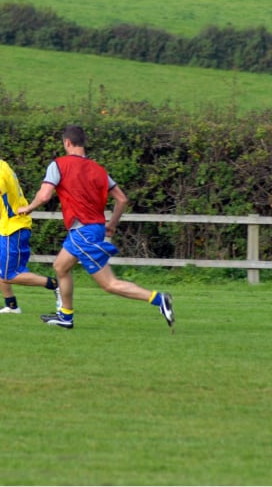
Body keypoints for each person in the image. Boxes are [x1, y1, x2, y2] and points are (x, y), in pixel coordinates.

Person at [17, 125, 174, 332]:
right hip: (92, 228)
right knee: (61, 267)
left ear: (67, 143)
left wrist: (28, 208)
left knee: (109, 284)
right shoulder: (99, 170)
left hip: (83, 231)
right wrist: (111, 225)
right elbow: (122, 199)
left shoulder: (59, 165)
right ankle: (65, 316)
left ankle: (158, 299)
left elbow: (45, 195)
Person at [0, 134, 61, 314]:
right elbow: (10, 193)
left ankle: (55, 284)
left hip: (14, 228)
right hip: (5, 226)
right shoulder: (0, 168)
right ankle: (11, 306)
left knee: (8, 275)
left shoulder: (0, 169)